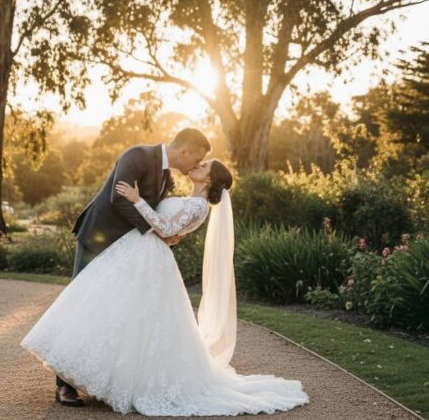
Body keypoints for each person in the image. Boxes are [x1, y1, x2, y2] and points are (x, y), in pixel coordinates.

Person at [21, 153, 309, 416]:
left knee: (136, 319)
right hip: (136, 251)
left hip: (149, 259)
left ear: (209, 179)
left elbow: (167, 228)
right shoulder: (188, 198)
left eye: (204, 165)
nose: (198, 164)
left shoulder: (199, 206)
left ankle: (123, 380)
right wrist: (163, 227)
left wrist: (137, 200)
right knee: (112, 310)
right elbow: (169, 231)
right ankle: (83, 375)